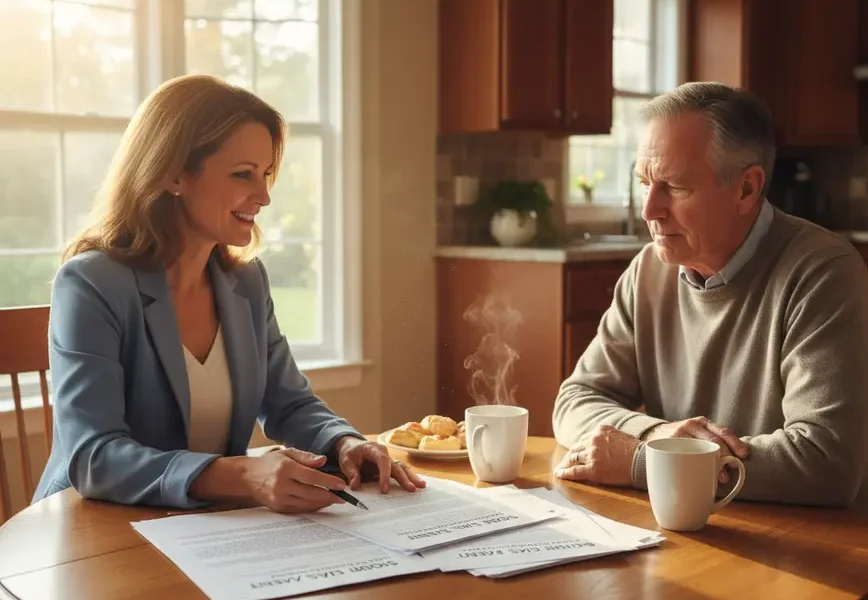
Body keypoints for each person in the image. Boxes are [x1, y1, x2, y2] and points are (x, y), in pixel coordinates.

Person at [32, 74, 425, 512]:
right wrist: (242, 475)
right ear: (174, 174)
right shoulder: (92, 283)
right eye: (243, 175)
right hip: (94, 531)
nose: (263, 197)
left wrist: (344, 441)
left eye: (266, 174)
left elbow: (288, 403)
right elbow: (94, 457)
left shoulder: (246, 282)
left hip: (203, 530)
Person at [551, 82, 868, 511]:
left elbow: (826, 462)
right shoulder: (647, 270)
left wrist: (645, 462)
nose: (650, 210)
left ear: (746, 189)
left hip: (802, 547)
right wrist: (658, 436)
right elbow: (574, 401)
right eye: (645, 183)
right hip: (689, 530)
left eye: (675, 187)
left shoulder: (823, 273)